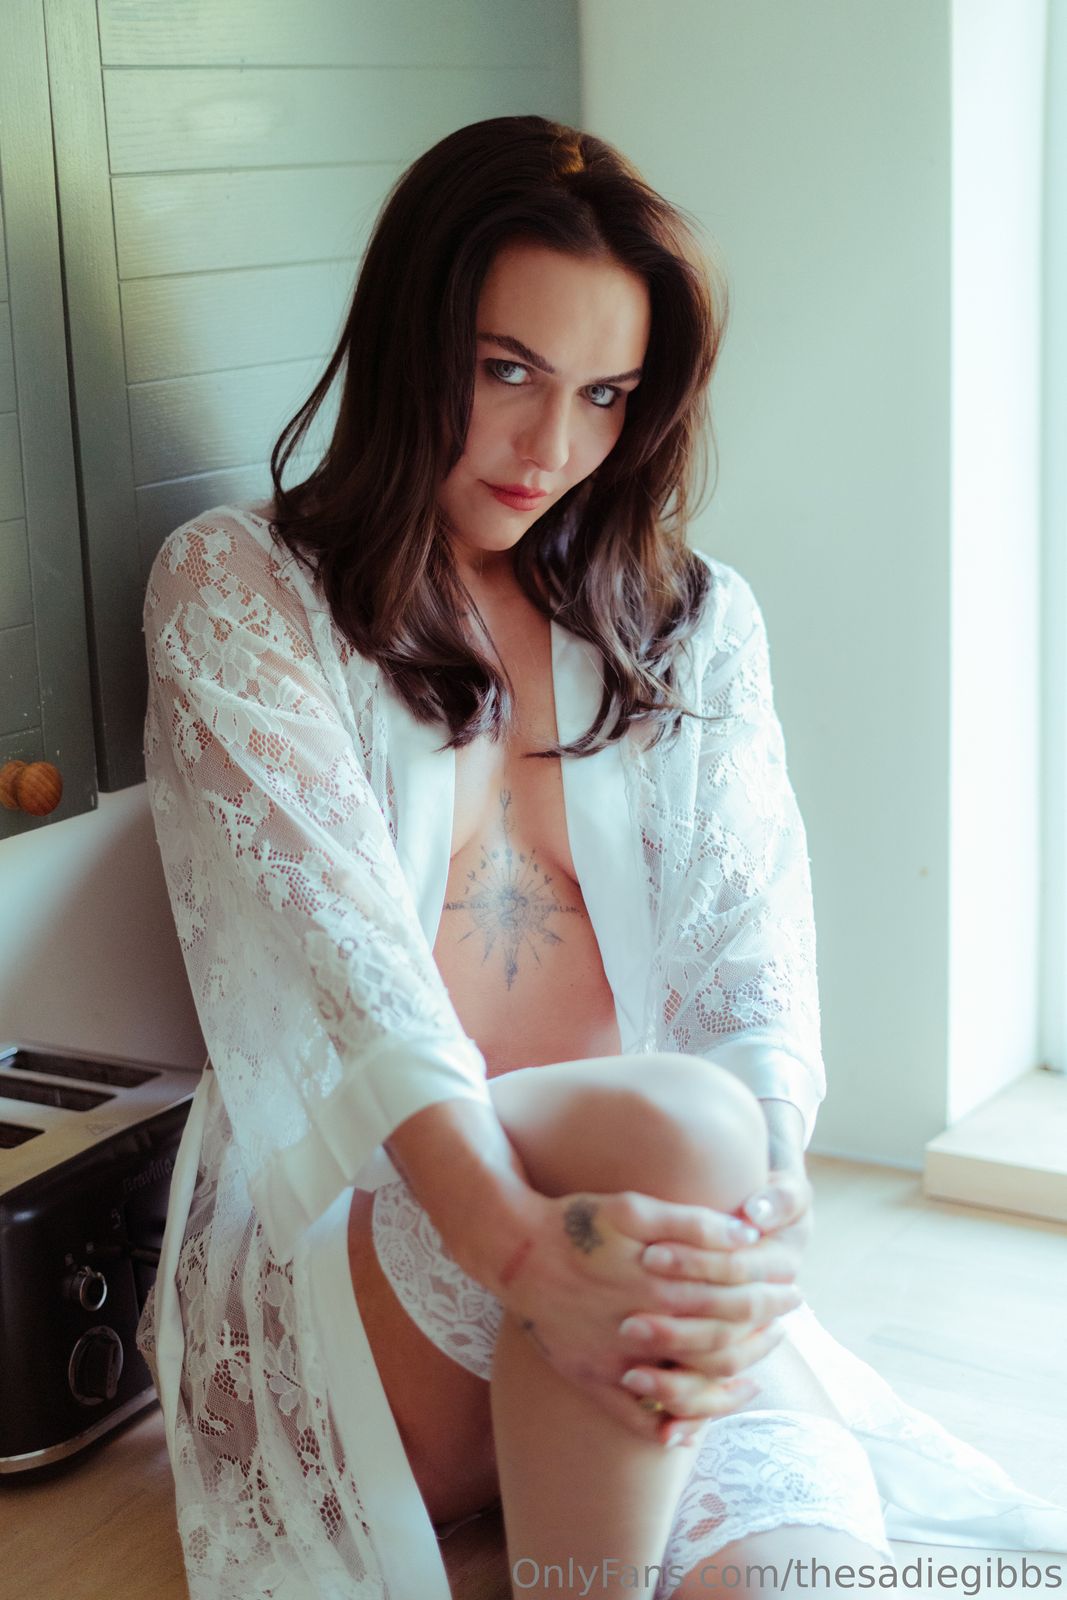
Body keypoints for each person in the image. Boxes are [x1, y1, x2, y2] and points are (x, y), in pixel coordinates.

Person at [136, 116, 1067, 1600]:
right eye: (506, 370)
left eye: (604, 396)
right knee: (672, 1120)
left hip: (639, 1237)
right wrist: (524, 1253)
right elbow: (361, 984)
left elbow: (754, 964)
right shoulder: (241, 590)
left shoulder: (690, 620)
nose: (550, 449)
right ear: (409, 339)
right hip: (366, 1281)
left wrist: (763, 1228)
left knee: (803, 1578)